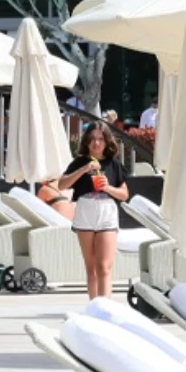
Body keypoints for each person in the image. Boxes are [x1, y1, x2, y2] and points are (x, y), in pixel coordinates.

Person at [57, 123, 129, 300]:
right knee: (91, 268)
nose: (96, 143)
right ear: (87, 142)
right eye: (92, 139)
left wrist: (108, 187)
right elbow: (62, 184)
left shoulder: (114, 165)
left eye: (100, 139)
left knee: (104, 267)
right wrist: (83, 169)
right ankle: (93, 307)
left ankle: (105, 309)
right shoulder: (79, 162)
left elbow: (124, 194)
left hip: (106, 212)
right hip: (85, 211)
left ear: (106, 142)